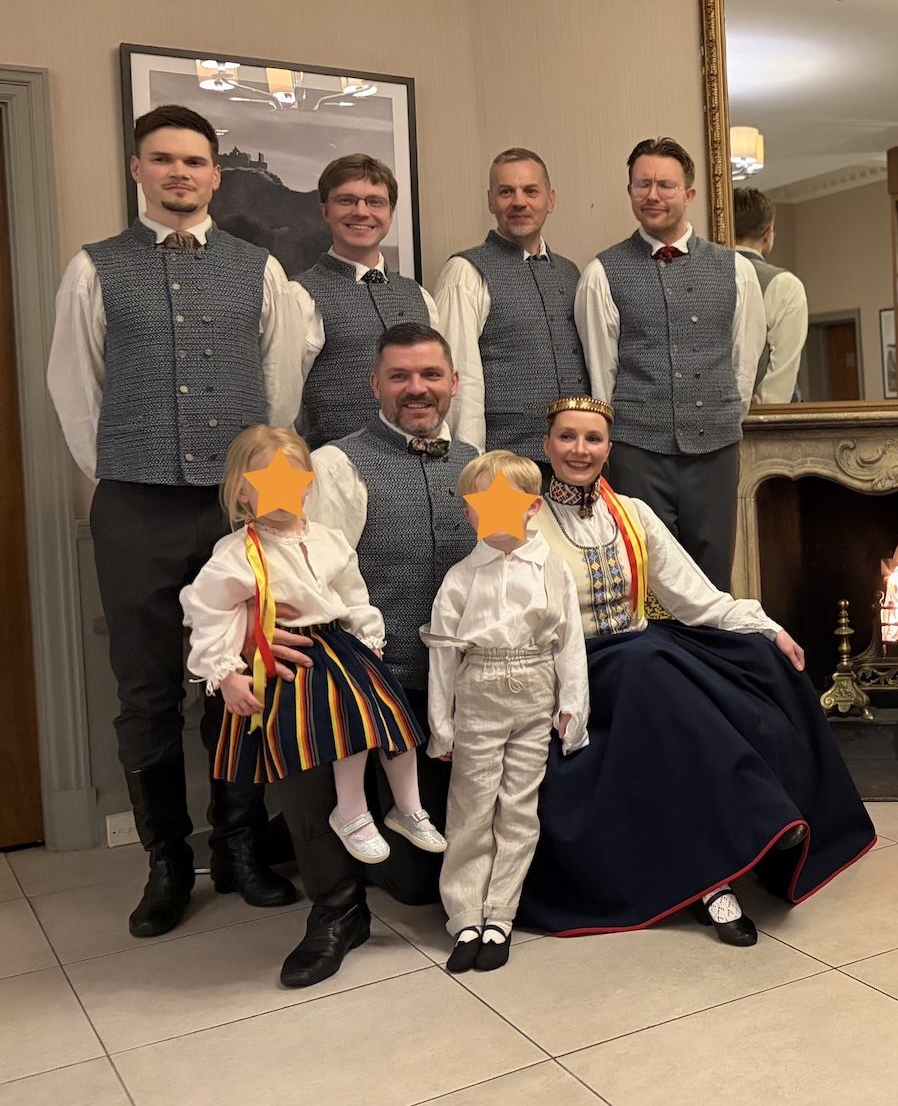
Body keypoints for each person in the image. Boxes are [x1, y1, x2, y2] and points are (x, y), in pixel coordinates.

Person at [46, 102, 300, 938]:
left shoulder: (260, 269)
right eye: (163, 159)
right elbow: (75, 390)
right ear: (138, 169)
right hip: (135, 503)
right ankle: (166, 862)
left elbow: (280, 388)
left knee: (243, 674)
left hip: (236, 507)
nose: (179, 173)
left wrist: (254, 483)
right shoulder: (95, 268)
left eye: (194, 161)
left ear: (216, 175)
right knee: (148, 688)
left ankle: (239, 847)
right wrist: (127, 466)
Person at [517, 396, 874, 946]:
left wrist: (768, 628)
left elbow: (697, 598)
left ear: (609, 450)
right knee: (646, 666)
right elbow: (509, 611)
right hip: (575, 666)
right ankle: (730, 860)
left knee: (756, 658)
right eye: (567, 437)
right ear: (547, 446)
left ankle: (765, 830)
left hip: (642, 656)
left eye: (593, 439)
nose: (579, 450)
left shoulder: (632, 514)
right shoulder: (525, 520)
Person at [268, 322, 478, 988]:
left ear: (453, 383)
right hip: (361, 683)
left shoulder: (477, 463)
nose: (417, 388)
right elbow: (306, 572)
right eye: (399, 376)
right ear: (375, 385)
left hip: (444, 691)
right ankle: (337, 909)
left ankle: (388, 842)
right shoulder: (337, 465)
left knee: (417, 887)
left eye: (430, 375)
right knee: (301, 720)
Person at [180, 425, 444, 866]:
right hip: (291, 655)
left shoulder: (327, 539)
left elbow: (353, 593)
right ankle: (352, 812)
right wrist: (226, 673)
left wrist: (368, 637)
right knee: (347, 726)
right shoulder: (238, 552)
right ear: (243, 492)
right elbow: (208, 611)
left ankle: (409, 806)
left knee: (394, 717)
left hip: (338, 642)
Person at [576, 137, 768, 590]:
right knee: (645, 579)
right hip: (637, 453)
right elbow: (601, 376)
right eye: (642, 184)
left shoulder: (735, 270)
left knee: (712, 580)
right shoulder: (602, 273)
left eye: (665, 184)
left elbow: (744, 363)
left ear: (689, 194)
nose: (653, 195)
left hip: (716, 453)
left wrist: (719, 417)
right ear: (630, 191)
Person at [424, 450, 589, 974]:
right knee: (472, 806)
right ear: (468, 512)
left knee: (518, 807)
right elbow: (443, 654)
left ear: (532, 507)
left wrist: (572, 705)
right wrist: (441, 725)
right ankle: (465, 914)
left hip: (534, 687)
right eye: (479, 504)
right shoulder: (460, 577)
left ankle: (501, 914)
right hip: (479, 690)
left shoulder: (552, 570)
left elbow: (569, 642)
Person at [433, 147, 589, 462]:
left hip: (573, 461)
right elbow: (459, 380)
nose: (519, 202)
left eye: (531, 191)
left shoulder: (571, 272)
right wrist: (470, 464)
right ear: (491, 201)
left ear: (550, 200)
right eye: (506, 192)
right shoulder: (465, 272)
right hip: (503, 464)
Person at [290, 154, 442, 447]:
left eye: (375, 202)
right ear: (325, 210)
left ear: (390, 213)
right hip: (335, 465)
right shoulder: (301, 296)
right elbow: (285, 405)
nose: (361, 212)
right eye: (346, 200)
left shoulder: (419, 296)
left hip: (417, 465)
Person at [733, 186, 809, 403]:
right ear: (768, 234)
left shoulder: (704, 274)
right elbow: (781, 379)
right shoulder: (784, 286)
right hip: (760, 416)